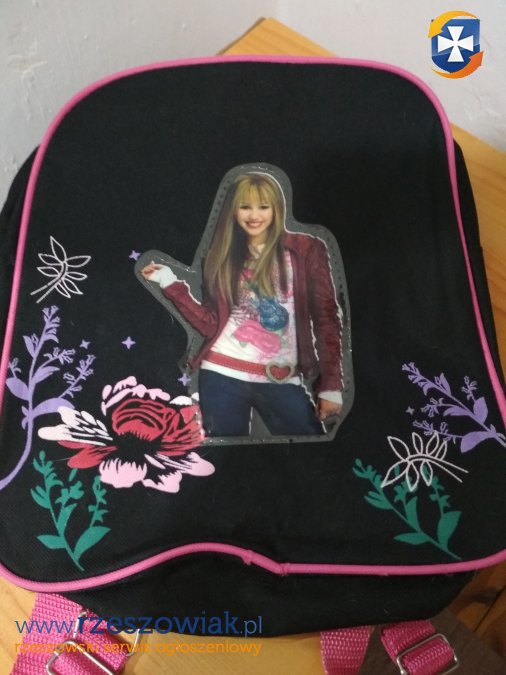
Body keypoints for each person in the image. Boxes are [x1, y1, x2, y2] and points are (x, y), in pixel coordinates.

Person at [142, 170, 344, 437]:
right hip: (220, 374)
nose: (254, 215)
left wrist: (331, 385)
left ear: (277, 208)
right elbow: (209, 324)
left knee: (309, 444)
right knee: (227, 455)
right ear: (233, 211)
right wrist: (169, 283)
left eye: (263, 206)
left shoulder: (306, 249)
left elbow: (326, 317)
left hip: (282, 377)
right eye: (245, 207)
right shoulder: (219, 256)